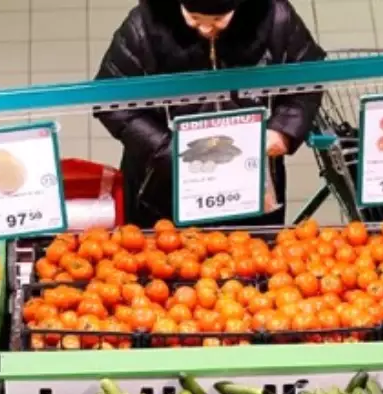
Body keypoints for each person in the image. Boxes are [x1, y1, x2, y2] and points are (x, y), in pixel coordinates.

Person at [95, 0, 326, 228]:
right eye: (194, 18)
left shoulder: (275, 16)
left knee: (251, 259)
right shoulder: (144, 23)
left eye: (218, 19)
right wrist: (169, 151)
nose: (206, 29)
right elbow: (111, 101)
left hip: (250, 182)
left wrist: (283, 130)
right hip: (164, 186)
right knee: (164, 260)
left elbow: (309, 77)